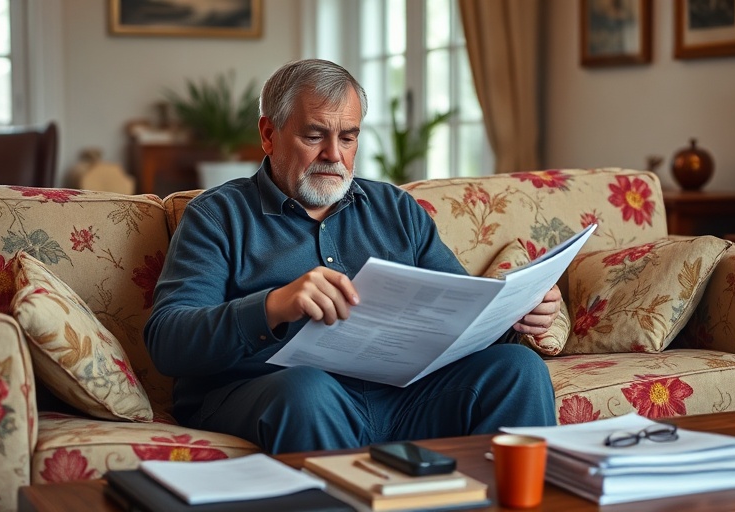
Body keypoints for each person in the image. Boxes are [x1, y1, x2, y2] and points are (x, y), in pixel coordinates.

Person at [144, 59, 561, 454]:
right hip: (278, 394)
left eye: (348, 138)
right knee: (306, 389)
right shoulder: (217, 216)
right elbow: (168, 341)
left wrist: (514, 316)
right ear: (269, 135)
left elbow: (459, 319)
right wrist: (273, 306)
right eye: (314, 136)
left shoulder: (396, 209)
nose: (334, 155)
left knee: (518, 369)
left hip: (401, 399)